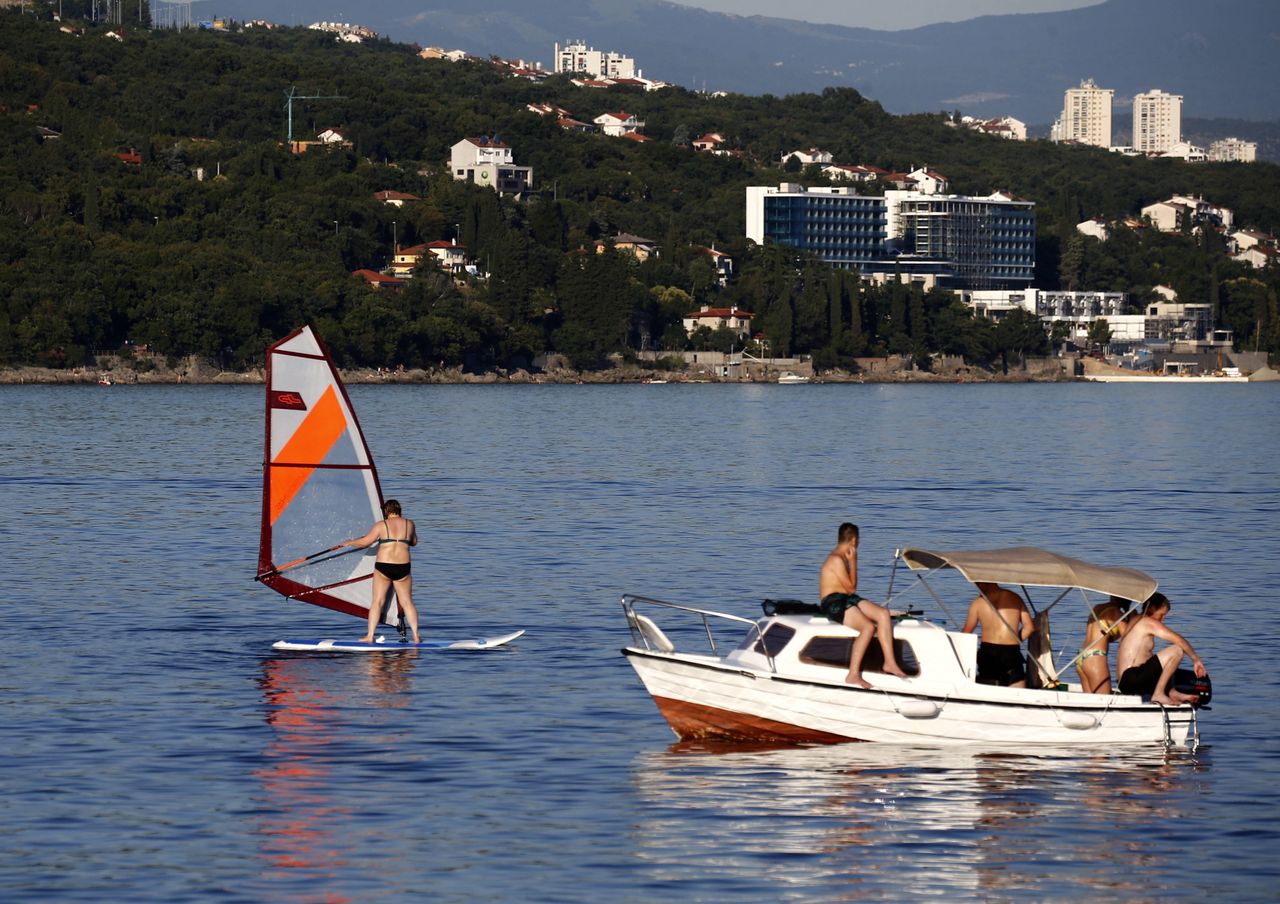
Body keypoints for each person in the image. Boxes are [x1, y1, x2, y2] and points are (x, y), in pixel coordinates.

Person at [818, 522, 908, 688]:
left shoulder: (841, 557)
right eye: (858, 540)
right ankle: (853, 674)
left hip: (845, 598)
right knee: (867, 628)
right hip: (833, 602)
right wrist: (854, 561)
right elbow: (852, 588)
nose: (859, 544)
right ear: (853, 540)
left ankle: (889, 662)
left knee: (883, 614)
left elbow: (850, 592)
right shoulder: (837, 559)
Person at [342, 499, 422, 644]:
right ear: (399, 510)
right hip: (403, 567)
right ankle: (416, 636)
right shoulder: (409, 524)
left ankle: (370, 635)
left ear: (386, 511)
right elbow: (414, 542)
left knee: (377, 602)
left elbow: (365, 542)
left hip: (384, 566)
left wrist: (350, 542)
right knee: (407, 602)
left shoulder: (381, 525)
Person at [1115, 592, 1205, 705]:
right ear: (1152, 608)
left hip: (1124, 682)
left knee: (1166, 661)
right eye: (1161, 615)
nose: (1162, 619)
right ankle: (1159, 694)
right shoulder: (1147, 622)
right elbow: (1178, 640)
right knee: (1176, 650)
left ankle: (1172, 692)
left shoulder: (1135, 619)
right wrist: (1196, 659)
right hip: (1131, 678)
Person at [962, 582, 1035, 687]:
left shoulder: (977, 603)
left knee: (988, 692)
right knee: (1018, 693)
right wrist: (1013, 640)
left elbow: (966, 633)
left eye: (978, 583)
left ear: (988, 581)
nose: (976, 586)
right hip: (1011, 652)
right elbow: (1029, 628)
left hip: (988, 653)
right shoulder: (1015, 598)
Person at [1077, 596, 1132, 694]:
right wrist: (1132, 620)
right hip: (1095, 658)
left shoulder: (1097, 607)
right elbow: (1128, 638)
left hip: (1081, 655)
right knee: (1103, 699)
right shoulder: (1117, 613)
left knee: (1089, 701)